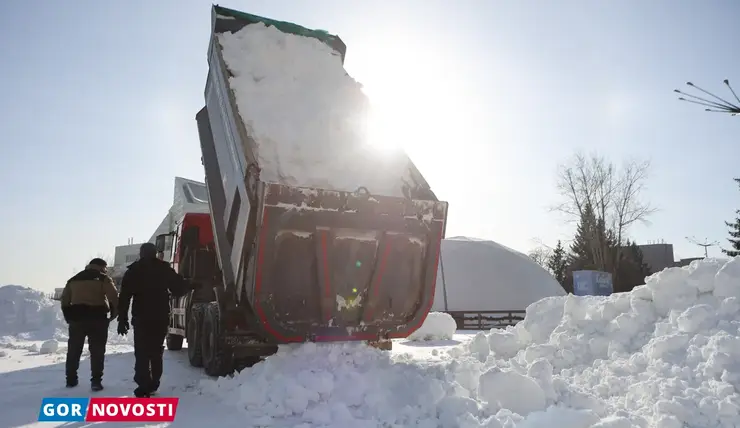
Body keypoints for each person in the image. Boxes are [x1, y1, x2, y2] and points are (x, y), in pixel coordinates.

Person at [117, 242, 191, 397]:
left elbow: (124, 297)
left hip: (141, 317)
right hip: (160, 317)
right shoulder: (163, 268)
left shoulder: (133, 270)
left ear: (141, 253)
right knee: (156, 352)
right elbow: (178, 288)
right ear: (155, 253)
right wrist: (189, 284)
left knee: (142, 352)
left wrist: (122, 319)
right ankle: (153, 383)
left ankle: (143, 384)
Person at [60, 258, 119, 391]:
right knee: (97, 351)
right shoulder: (104, 279)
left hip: (77, 319)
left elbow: (64, 300)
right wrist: (114, 314)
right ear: (101, 267)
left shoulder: (74, 279)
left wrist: (68, 317)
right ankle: (96, 381)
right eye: (105, 268)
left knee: (74, 350)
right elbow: (114, 297)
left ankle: (71, 379)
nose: (106, 270)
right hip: (98, 319)